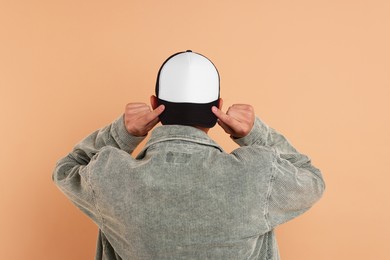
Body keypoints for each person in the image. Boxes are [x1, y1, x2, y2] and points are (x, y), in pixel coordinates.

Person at [53, 51, 325, 260]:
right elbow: (312, 179)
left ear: (154, 105)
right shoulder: (259, 173)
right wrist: (254, 134)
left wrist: (122, 132)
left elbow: (67, 169)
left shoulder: (110, 175)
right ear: (217, 108)